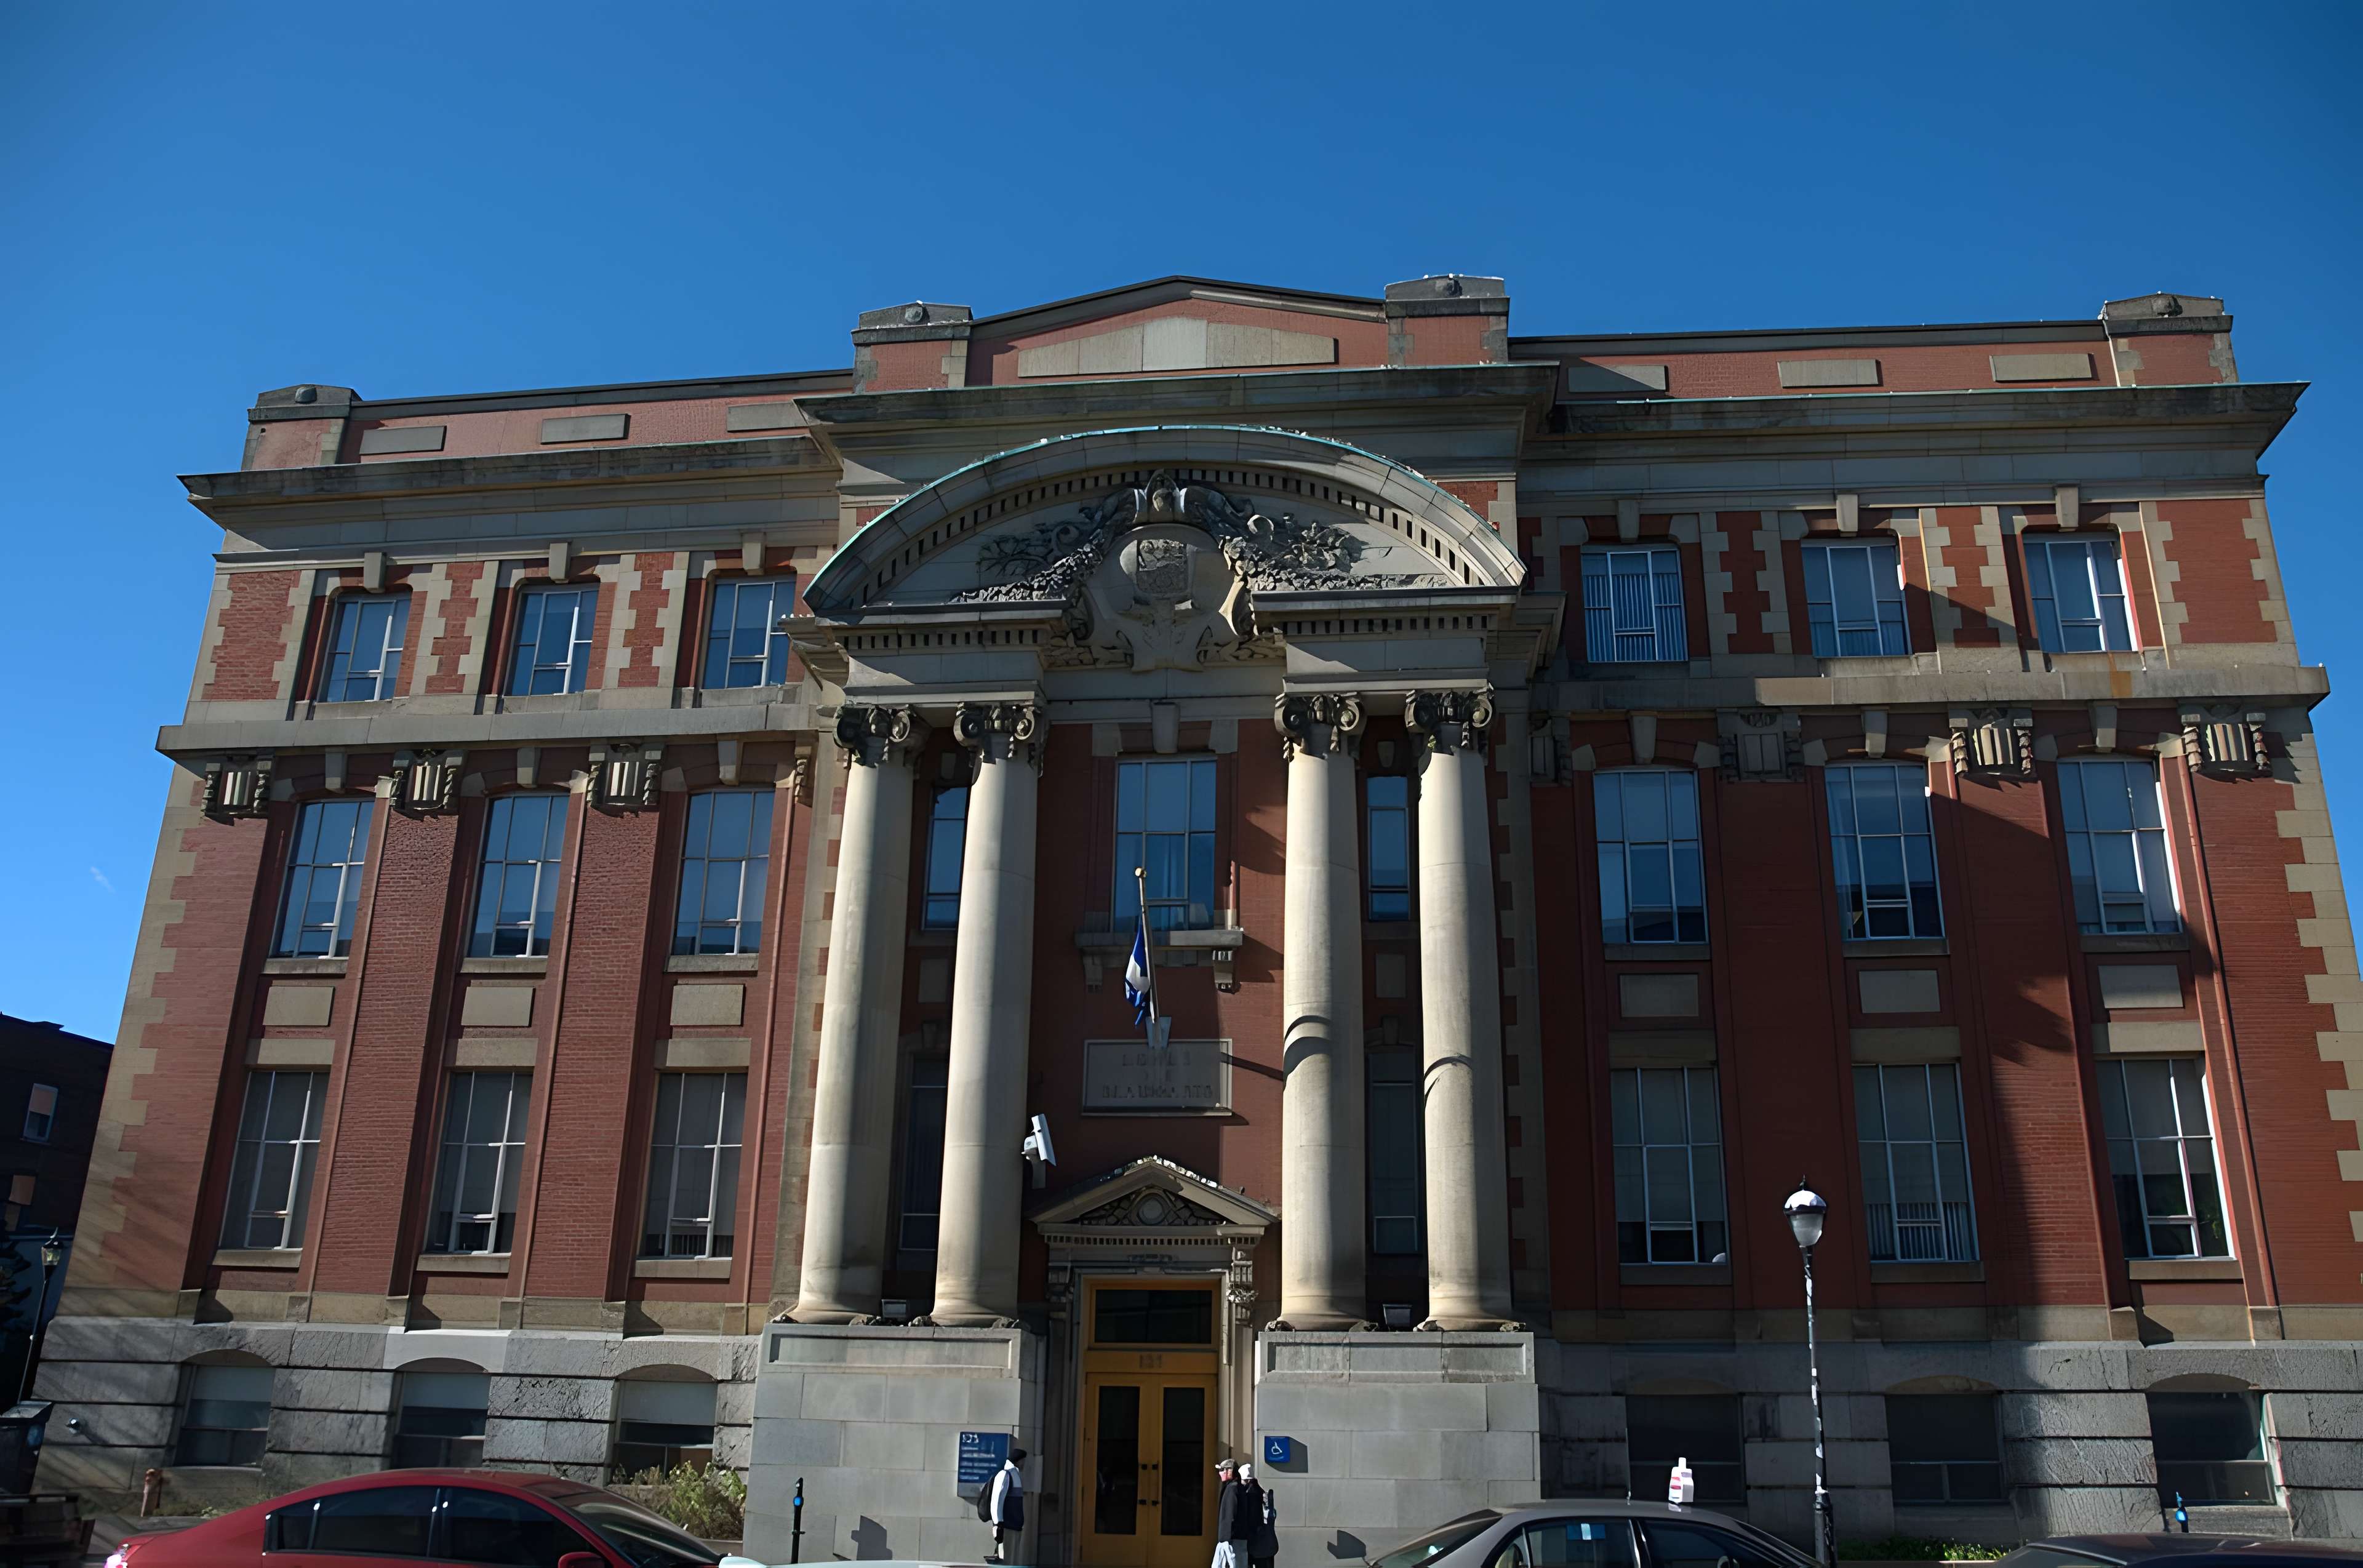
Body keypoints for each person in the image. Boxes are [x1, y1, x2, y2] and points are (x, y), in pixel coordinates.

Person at [988, 1446, 1027, 1562]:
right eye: (1023, 1460)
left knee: (1013, 1561)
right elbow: (996, 1501)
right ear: (1018, 1461)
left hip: (1016, 1527)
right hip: (1006, 1527)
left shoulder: (1016, 1476)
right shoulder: (1005, 1475)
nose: (1024, 1463)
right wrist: (997, 1524)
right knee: (1005, 1560)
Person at [1240, 1460, 1278, 1568]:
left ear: (1246, 1480)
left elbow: (1252, 1521)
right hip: (1268, 1543)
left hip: (1256, 1545)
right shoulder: (1262, 1493)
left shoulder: (1250, 1494)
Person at [1212, 1457, 1245, 1568]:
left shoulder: (1232, 1489)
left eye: (1222, 1470)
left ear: (1228, 1471)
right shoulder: (1239, 1488)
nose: (1220, 1473)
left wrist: (1225, 1538)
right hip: (1237, 1538)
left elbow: (1229, 1514)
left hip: (1230, 1540)